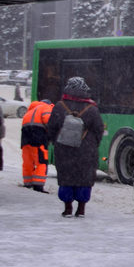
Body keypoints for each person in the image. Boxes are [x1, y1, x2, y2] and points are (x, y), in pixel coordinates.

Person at [46, 77, 105, 218]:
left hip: (64, 149)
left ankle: (67, 208)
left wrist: (57, 142)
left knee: (66, 177)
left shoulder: (60, 106)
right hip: (86, 150)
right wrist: (92, 144)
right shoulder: (92, 109)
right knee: (85, 179)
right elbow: (99, 129)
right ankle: (81, 208)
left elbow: (52, 127)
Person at [20, 97, 54, 192]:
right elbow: (48, 121)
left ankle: (28, 183)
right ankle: (38, 186)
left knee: (28, 162)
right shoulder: (46, 107)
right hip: (38, 139)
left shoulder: (30, 111)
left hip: (25, 140)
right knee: (41, 162)